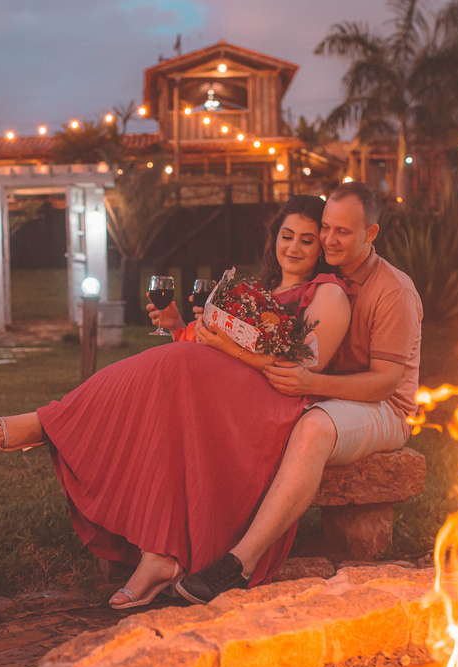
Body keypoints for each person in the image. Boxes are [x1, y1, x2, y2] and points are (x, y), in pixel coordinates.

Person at [0, 195, 352, 610]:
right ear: (274, 238)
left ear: (321, 247)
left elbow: (306, 362)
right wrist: (181, 327)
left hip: (273, 402)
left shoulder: (327, 293)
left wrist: (224, 346)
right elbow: (220, 351)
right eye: (287, 236)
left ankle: (49, 424)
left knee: (173, 364)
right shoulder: (260, 291)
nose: (294, 247)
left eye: (306, 240)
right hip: (229, 390)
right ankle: (160, 554)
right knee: (168, 393)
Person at [174, 181, 423, 604]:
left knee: (313, 428)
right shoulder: (324, 282)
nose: (329, 239)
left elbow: (384, 382)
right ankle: (187, 543)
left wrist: (312, 385)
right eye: (326, 228)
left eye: (343, 231)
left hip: (383, 408)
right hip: (327, 395)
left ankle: (239, 564)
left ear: (371, 233)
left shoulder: (392, 290)